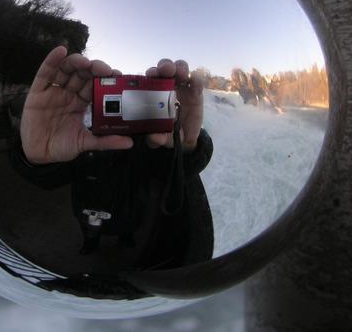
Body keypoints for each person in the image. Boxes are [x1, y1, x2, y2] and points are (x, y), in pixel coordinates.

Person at [11, 46, 214, 268]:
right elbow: (51, 177)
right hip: (89, 213)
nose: (117, 103)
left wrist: (184, 148)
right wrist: (38, 154)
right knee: (90, 235)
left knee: (128, 233)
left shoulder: (147, 138)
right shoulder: (78, 137)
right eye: (108, 97)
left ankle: (124, 239)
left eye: (127, 97)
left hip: (132, 214)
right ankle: (90, 244)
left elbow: (170, 173)